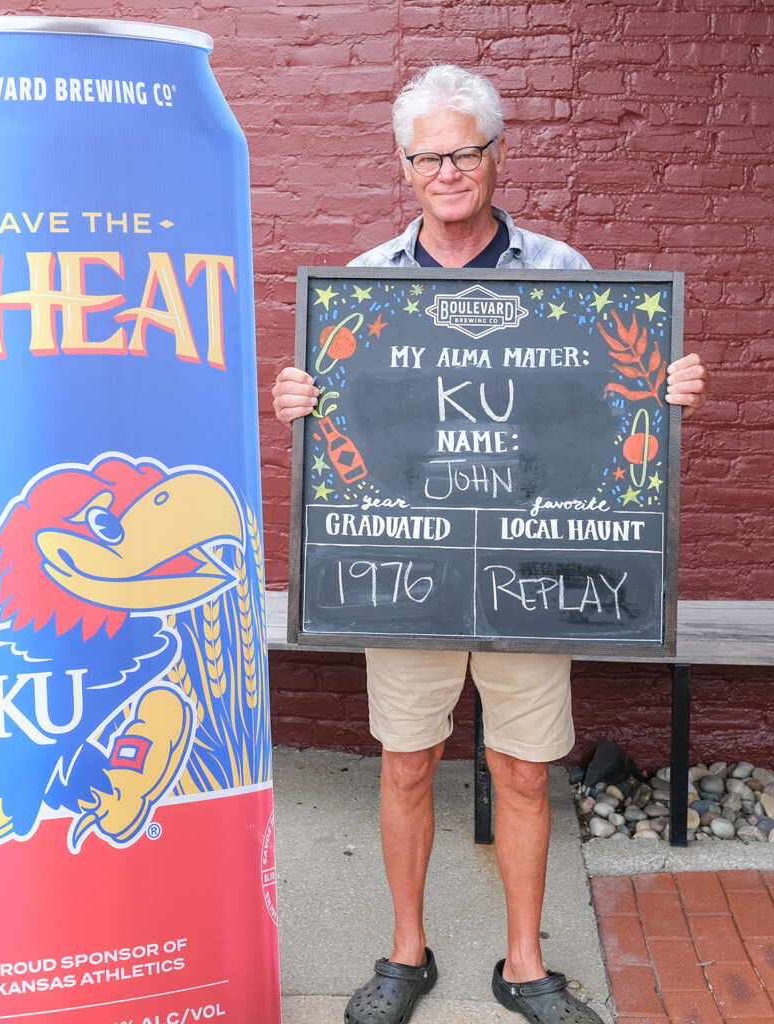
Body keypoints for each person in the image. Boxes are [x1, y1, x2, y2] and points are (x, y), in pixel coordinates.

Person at [271, 64, 709, 1024]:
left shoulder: (560, 272)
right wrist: (298, 402)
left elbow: (609, 398)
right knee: (407, 761)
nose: (448, 169)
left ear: (497, 153)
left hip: (532, 566)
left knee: (520, 767)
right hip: (410, 567)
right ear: (406, 166)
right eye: (428, 155)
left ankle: (523, 963)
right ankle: (406, 953)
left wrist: (663, 392)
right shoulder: (367, 285)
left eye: (465, 150)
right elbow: (340, 420)